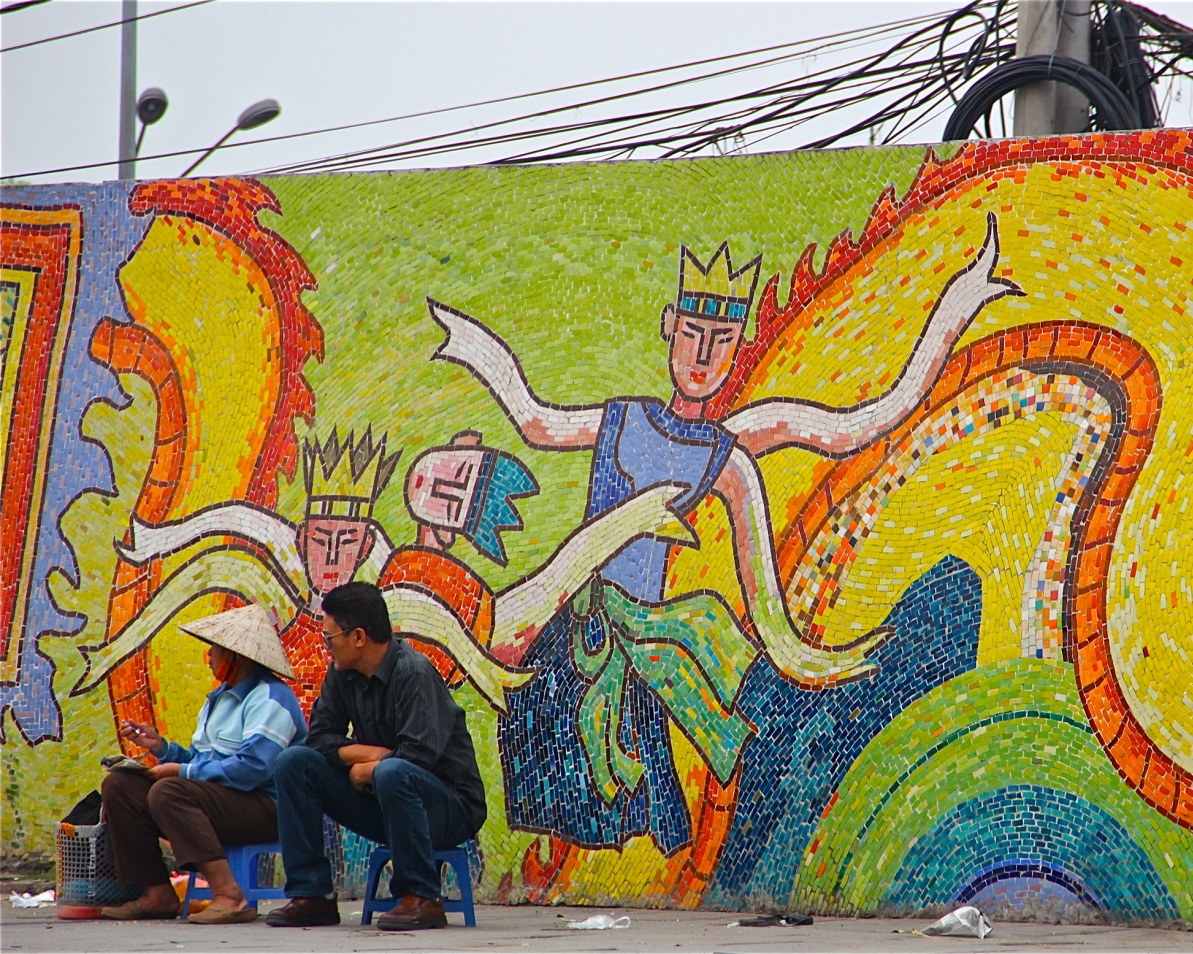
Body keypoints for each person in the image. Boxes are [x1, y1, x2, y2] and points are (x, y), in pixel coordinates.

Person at [423, 213, 1021, 854]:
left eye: (722, 338)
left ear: (736, 347)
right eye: (693, 333)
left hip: (650, 640)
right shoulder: (623, 420)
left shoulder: (728, 459)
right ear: (669, 330)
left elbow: (852, 432)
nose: (704, 355)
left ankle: (801, 752)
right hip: (578, 637)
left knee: (706, 628)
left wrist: (954, 309)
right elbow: (538, 422)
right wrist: (478, 349)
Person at [266, 581, 485, 931]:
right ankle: (312, 896)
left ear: (358, 637)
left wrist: (369, 771)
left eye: (329, 638)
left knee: (393, 772)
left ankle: (422, 896)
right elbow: (319, 739)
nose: (326, 648)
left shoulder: (413, 672)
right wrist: (368, 756)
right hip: (385, 797)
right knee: (294, 763)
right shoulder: (342, 674)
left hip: (448, 806)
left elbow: (420, 756)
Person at [99, 603, 306, 924]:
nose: (209, 656)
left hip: (267, 806)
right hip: (221, 799)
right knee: (120, 786)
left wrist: (182, 771)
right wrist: (163, 749)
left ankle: (229, 895)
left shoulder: (272, 699)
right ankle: (157, 893)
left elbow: (252, 770)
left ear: (236, 657)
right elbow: (200, 762)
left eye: (215, 650)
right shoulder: (218, 700)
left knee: (169, 791)